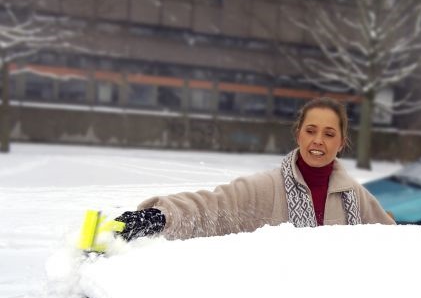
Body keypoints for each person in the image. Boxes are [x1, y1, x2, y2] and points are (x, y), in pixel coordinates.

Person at [115, 97, 395, 241]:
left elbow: (392, 243)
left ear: (342, 143)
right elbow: (210, 208)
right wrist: (157, 216)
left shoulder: (355, 197)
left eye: (329, 133)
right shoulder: (266, 188)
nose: (318, 141)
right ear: (298, 135)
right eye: (311, 131)